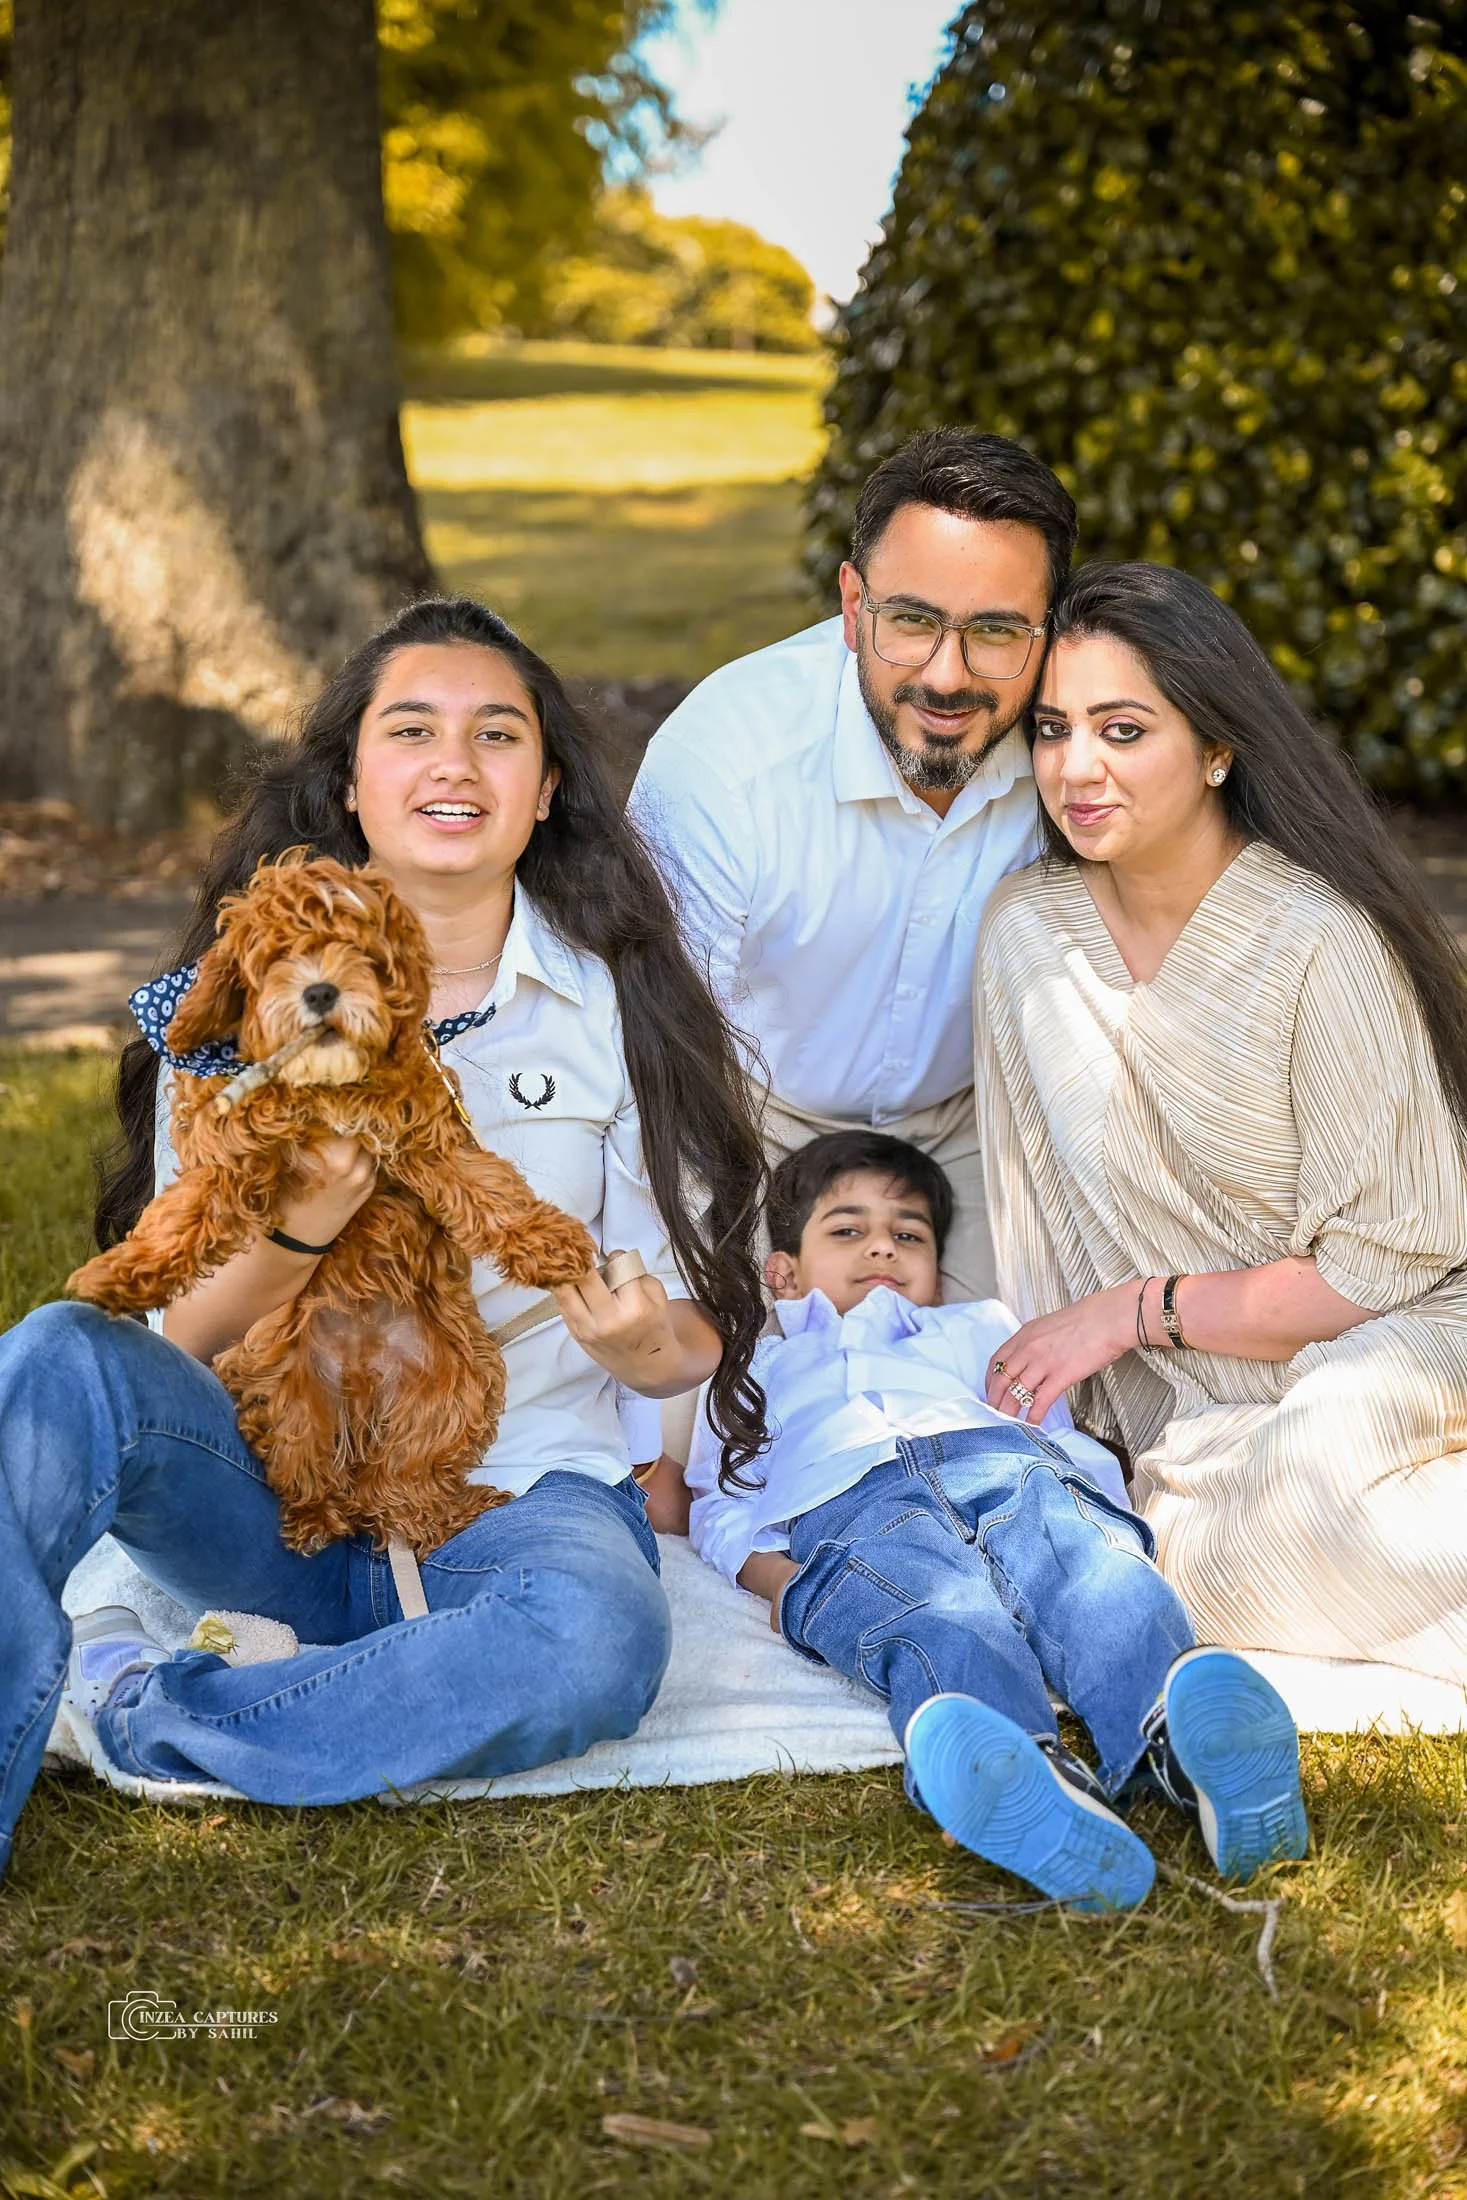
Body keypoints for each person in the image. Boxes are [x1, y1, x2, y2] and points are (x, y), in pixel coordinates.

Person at [0, 596, 768, 1883]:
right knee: (53, 1359)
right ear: (352, 782)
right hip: (260, 1498)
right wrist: (310, 1218)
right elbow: (180, 1336)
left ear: (547, 790)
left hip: (513, 1493)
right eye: (411, 730)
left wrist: (644, 1350)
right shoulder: (247, 996)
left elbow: (689, 1328)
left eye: (497, 735)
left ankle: (153, 1708)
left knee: (594, 1643)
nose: (454, 764)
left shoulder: (613, 1008)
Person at [975, 561, 1467, 1680]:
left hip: (1388, 1338)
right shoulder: (1025, 931)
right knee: (1186, 1545)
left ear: (1216, 748)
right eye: (1053, 729)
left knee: (1309, 1481)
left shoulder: (1315, 940)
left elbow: (1388, 1265)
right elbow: (1028, 1192)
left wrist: (1136, 1310)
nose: (1076, 767)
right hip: (1190, 1410)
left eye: (1124, 728)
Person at [685, 1130, 1308, 1909]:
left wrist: (1093, 1510)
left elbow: (1055, 1430)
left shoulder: (977, 1327)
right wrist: (778, 1579)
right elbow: (721, 1503)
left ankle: (1184, 1741)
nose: (881, 1247)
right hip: (855, 1507)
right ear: (783, 1271)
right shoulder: (753, 1365)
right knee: (935, 1617)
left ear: (935, 1271)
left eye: (906, 1234)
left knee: (1093, 1579)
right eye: (847, 1230)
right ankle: (1021, 1779)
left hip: (1005, 1465)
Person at [629, 428, 1077, 1306]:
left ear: (1047, 628)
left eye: (994, 631)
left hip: (973, 1127)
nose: (946, 677)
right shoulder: (725, 760)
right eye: (910, 621)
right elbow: (660, 1063)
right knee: (743, 1393)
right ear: (850, 603)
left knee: (1008, 1388)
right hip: (747, 1115)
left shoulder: (1082, 744)